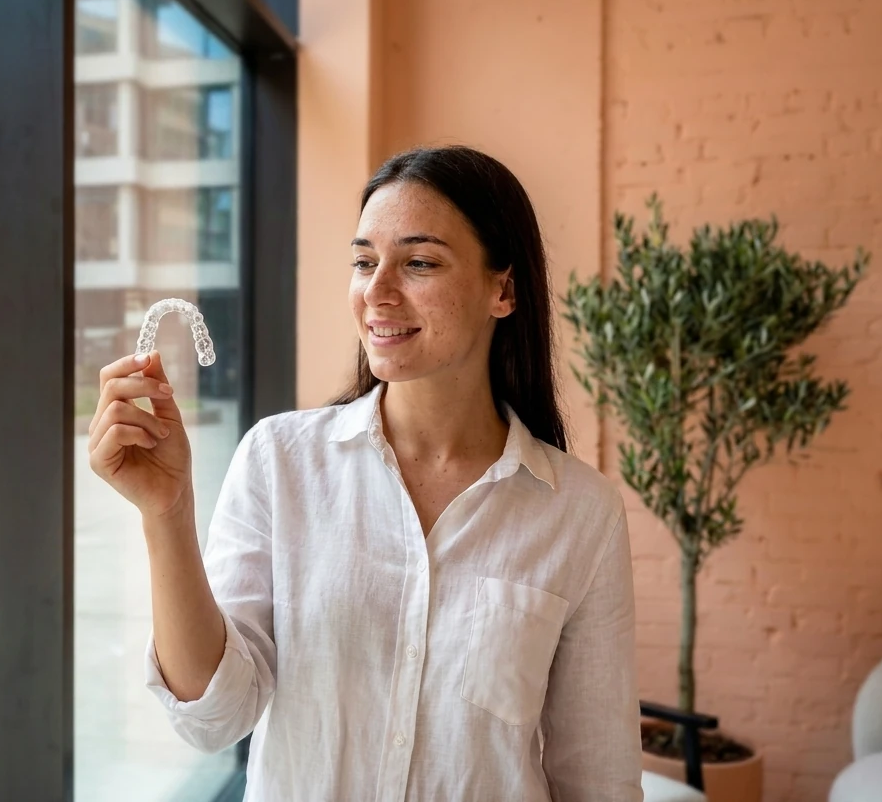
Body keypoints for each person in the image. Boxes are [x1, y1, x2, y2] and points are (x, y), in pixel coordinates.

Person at [89, 146, 644, 801]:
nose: (376, 292)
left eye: (418, 262)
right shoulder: (279, 461)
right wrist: (166, 513)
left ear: (503, 289)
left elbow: (599, 781)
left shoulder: (580, 512)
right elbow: (215, 718)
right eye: (362, 261)